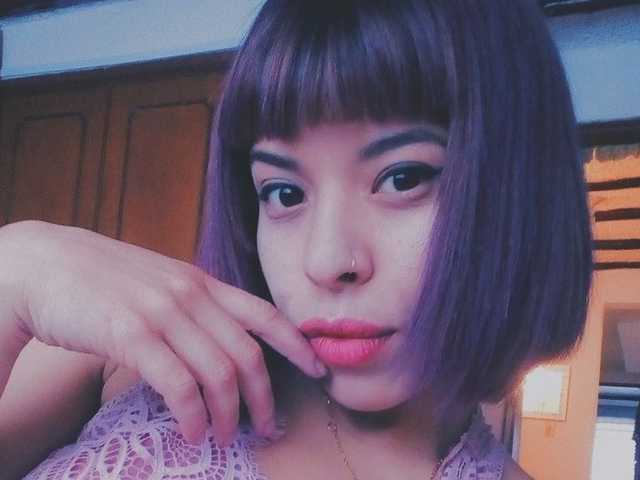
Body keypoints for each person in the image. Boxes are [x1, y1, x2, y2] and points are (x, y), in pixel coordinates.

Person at [0, 0, 593, 478]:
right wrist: (14, 269)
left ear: (520, 189)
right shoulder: (135, 349)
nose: (327, 260)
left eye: (402, 178)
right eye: (284, 193)